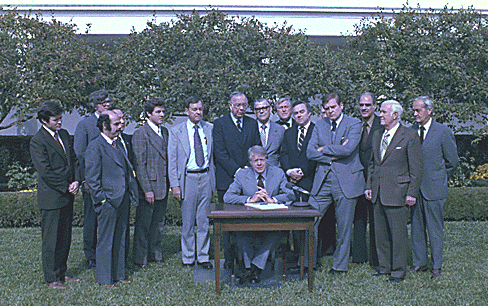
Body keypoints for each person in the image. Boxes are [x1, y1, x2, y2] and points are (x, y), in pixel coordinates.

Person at [306, 93, 365, 274]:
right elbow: (309, 152)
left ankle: (339, 266)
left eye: (333, 107)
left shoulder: (354, 123)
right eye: (327, 108)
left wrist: (323, 149)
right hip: (323, 180)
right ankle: (311, 262)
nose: (330, 111)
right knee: (310, 220)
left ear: (341, 106)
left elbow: (348, 149)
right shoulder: (319, 124)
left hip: (346, 180)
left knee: (344, 225)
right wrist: (333, 154)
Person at [364, 100, 423, 283]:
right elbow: (373, 164)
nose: (380, 115)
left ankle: (398, 271)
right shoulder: (377, 135)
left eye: (383, 112)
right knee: (380, 234)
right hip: (378, 192)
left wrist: (411, 193)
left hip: (398, 192)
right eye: (380, 112)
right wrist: (369, 186)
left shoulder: (410, 136)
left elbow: (416, 168)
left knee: (398, 235)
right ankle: (384, 267)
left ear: (395, 115)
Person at [224, 145, 295, 283]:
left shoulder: (278, 173)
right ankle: (252, 269)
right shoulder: (242, 174)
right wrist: (250, 199)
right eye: (255, 160)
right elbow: (227, 196)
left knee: (274, 235)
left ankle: (254, 268)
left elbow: (290, 194)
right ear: (250, 162)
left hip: (272, 222)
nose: (259, 163)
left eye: (262, 160)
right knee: (241, 236)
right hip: (248, 222)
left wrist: (272, 200)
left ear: (267, 160)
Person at [30, 101, 81, 289]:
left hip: (68, 194)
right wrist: (65, 186)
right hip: (52, 197)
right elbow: (45, 171)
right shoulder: (37, 141)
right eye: (56, 119)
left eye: (61, 118)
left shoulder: (65, 135)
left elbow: (74, 160)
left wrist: (76, 180)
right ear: (44, 120)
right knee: (51, 239)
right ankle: (51, 278)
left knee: (65, 237)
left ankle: (62, 272)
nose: (60, 122)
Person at [85, 110, 139, 287]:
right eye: (116, 124)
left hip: (122, 199)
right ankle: (104, 279)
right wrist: (101, 200)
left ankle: (119, 274)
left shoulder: (118, 144)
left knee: (121, 237)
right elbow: (92, 179)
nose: (120, 126)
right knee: (106, 241)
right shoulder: (95, 146)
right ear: (104, 126)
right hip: (108, 201)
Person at [280, 100, 335, 267]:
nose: (298, 115)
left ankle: (312, 259)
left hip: (312, 181)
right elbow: (284, 154)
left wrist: (303, 171)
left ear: (309, 113)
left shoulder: (317, 130)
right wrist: (289, 171)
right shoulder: (289, 133)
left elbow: (317, 154)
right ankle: (298, 256)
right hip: (293, 183)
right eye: (295, 113)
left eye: (301, 112)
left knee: (311, 222)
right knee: (295, 220)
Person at [410, 96, 458, 279]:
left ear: (429, 110)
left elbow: (452, 162)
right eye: (413, 110)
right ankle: (419, 263)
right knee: (416, 228)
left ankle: (436, 266)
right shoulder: (410, 131)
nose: (415, 114)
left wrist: (438, 177)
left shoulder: (442, 132)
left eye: (418, 110)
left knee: (434, 229)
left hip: (434, 189)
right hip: (416, 189)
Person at [213, 91, 261, 268]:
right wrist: (237, 171)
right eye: (238, 105)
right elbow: (220, 153)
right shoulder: (219, 124)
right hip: (227, 179)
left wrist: (248, 172)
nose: (241, 108)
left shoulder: (252, 123)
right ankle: (230, 259)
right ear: (230, 106)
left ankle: (247, 259)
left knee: (247, 220)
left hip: (249, 179)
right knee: (227, 222)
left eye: (244, 105)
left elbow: (256, 148)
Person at [168, 96, 215, 269]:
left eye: (200, 109)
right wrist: (175, 185)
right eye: (194, 109)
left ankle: (203, 256)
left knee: (203, 221)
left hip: (205, 177)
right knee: (188, 222)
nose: (198, 112)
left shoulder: (209, 128)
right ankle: (188, 257)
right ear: (186, 111)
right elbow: (172, 161)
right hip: (188, 178)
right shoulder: (177, 131)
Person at [74, 89, 111, 269]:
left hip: (110, 180)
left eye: (109, 101)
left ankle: (107, 252)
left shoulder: (113, 120)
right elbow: (80, 154)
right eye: (104, 102)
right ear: (95, 105)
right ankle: (91, 255)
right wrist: (86, 180)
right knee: (92, 218)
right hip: (92, 180)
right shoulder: (85, 125)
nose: (108, 104)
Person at [131, 98, 169, 269]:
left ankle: (155, 254)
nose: (162, 115)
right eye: (158, 112)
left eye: (163, 111)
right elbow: (140, 164)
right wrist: (147, 189)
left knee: (158, 224)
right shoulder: (141, 133)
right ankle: (140, 259)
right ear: (148, 113)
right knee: (144, 225)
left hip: (163, 185)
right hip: (150, 187)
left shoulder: (165, 132)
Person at [351, 93, 382, 268]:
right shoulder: (356, 125)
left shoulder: (380, 124)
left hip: (375, 177)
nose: (364, 108)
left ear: (374, 107)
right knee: (359, 218)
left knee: (376, 219)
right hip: (357, 177)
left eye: (367, 105)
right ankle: (359, 255)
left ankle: (377, 259)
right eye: (361, 105)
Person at [254, 98, 285, 167]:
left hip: (275, 171)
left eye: (264, 108)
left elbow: (283, 154)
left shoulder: (280, 129)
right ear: (254, 112)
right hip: (254, 171)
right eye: (258, 109)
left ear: (270, 109)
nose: (261, 111)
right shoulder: (250, 129)